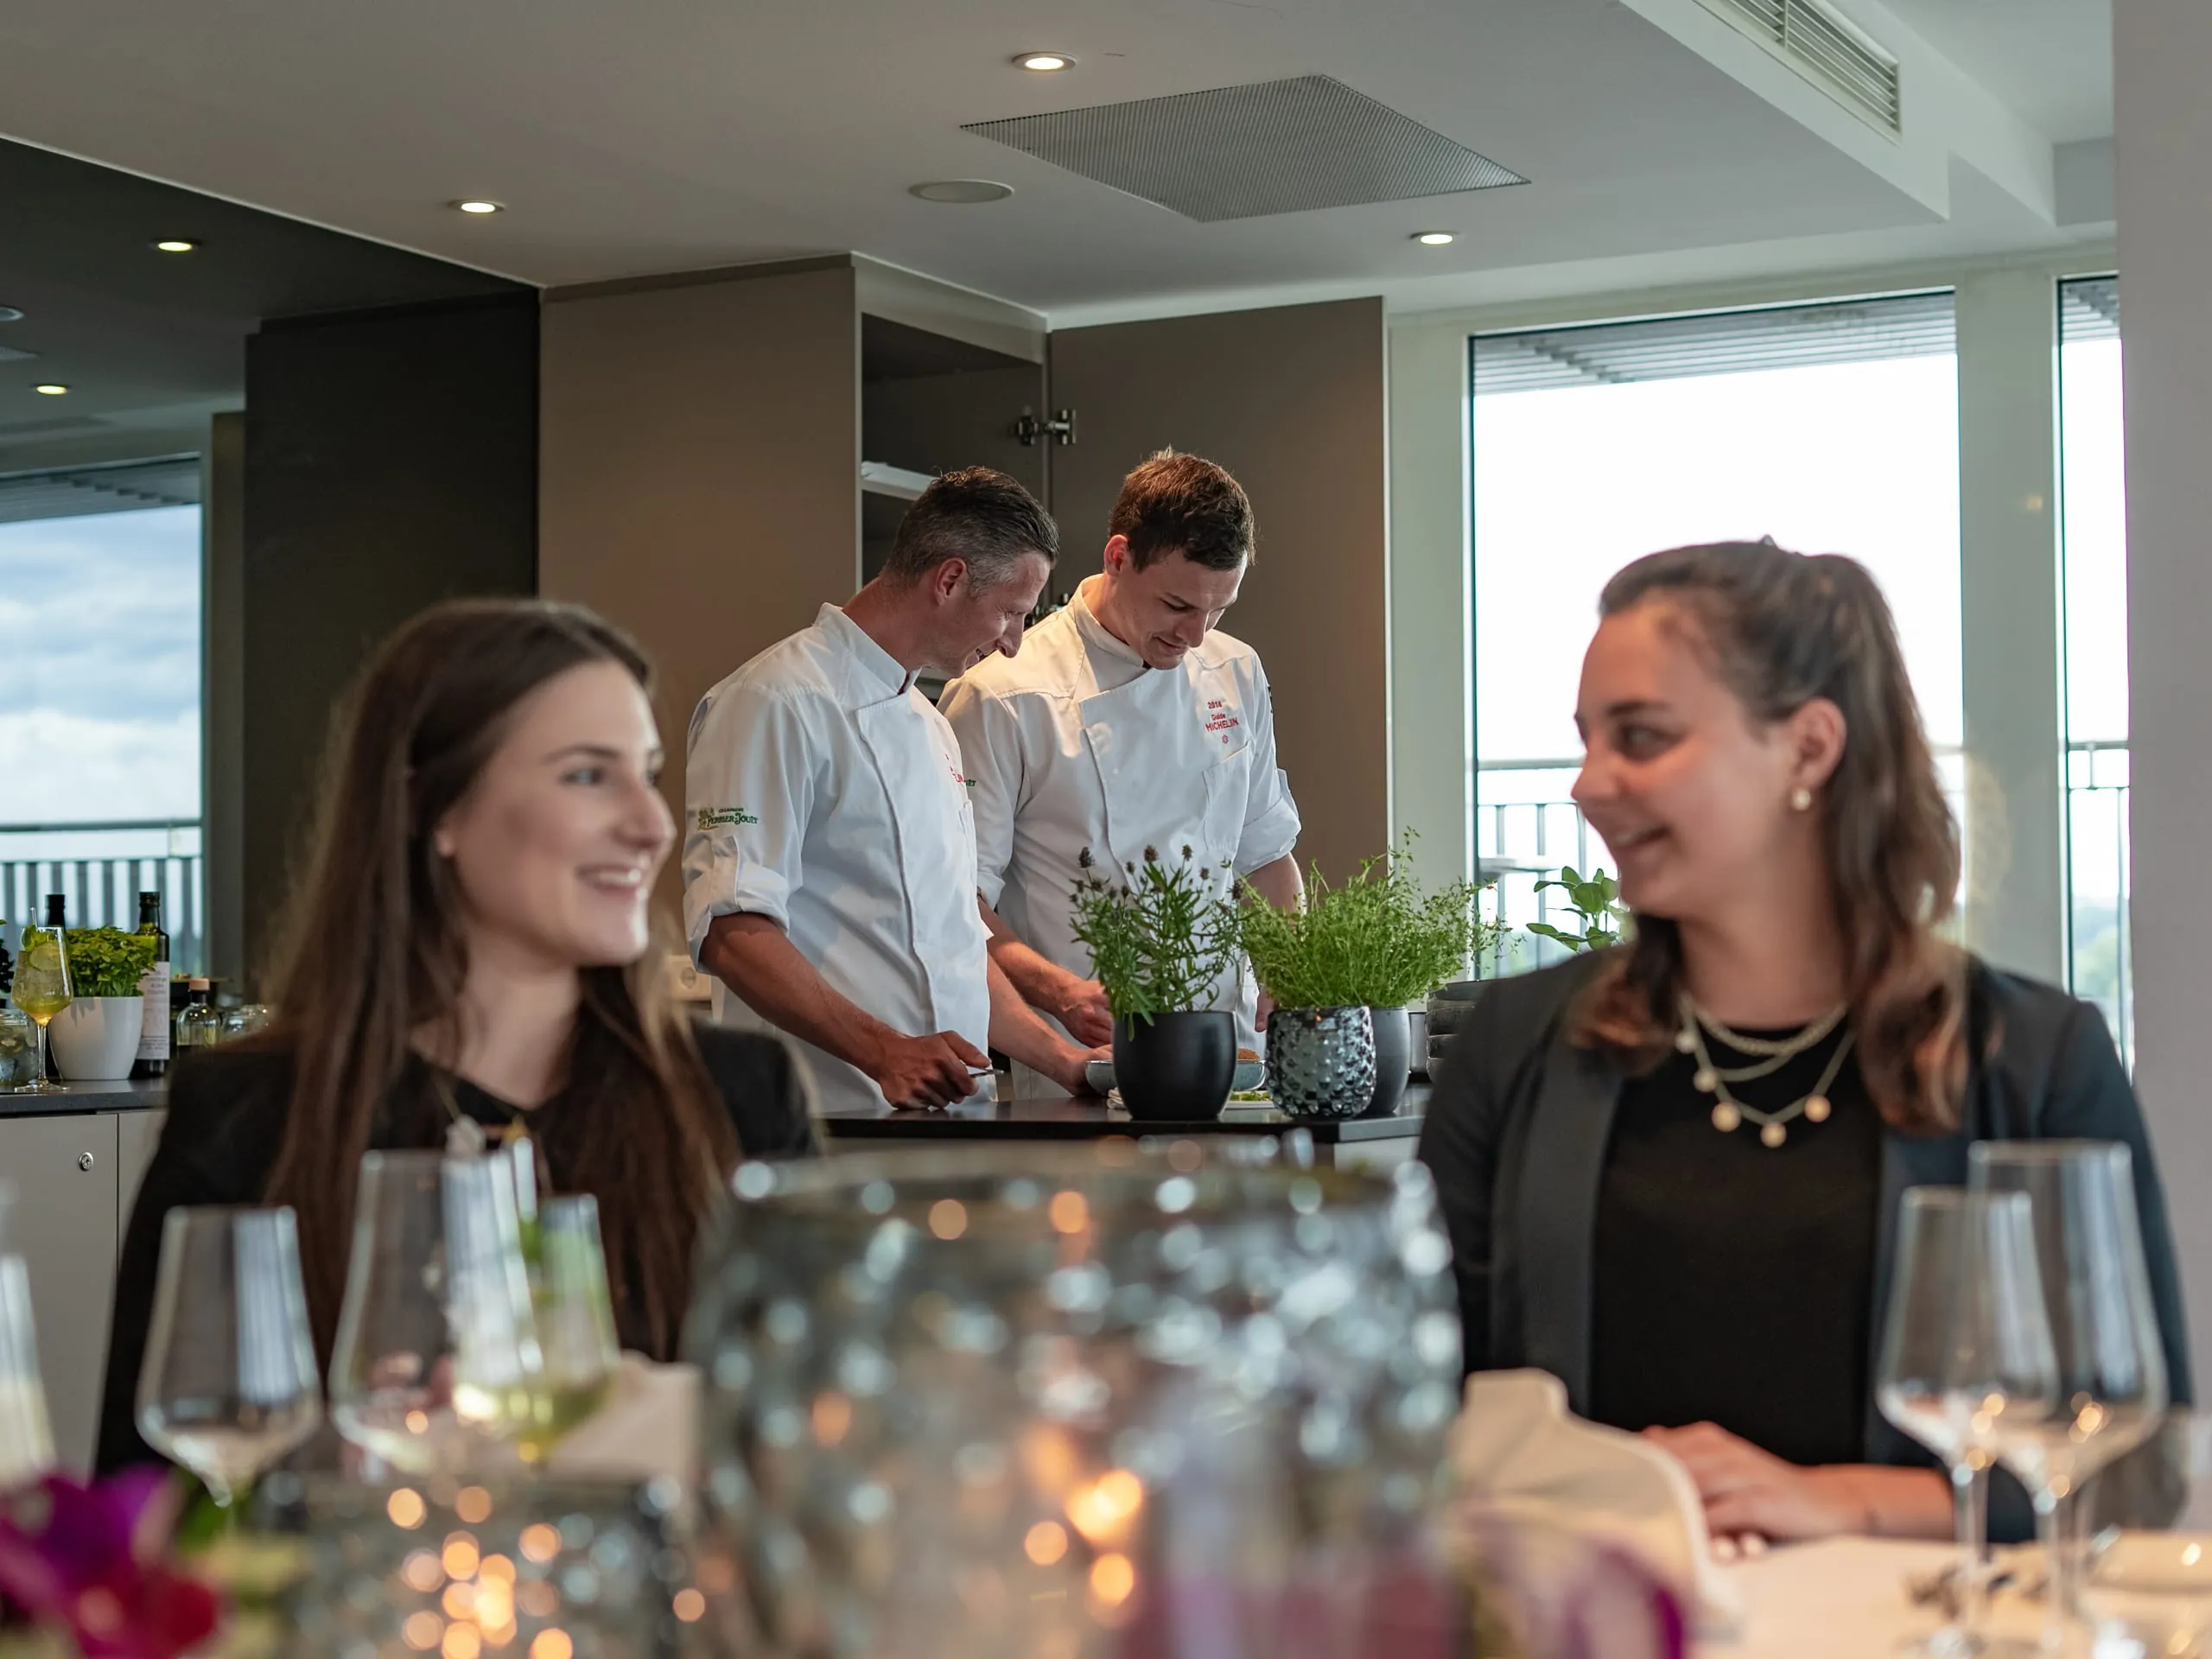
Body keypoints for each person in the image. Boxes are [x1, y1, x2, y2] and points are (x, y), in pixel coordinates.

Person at [1418, 541, 2190, 1545]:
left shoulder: (2037, 1062)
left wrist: (1838, 1500)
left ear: (1809, 749)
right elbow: (1418, 1421)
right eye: (1586, 739)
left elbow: (2134, 1468)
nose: (1586, 785)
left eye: (1640, 738)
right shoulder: (1513, 1050)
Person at [96, 599, 817, 1476]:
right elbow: (144, 1508)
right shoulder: (253, 1110)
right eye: (589, 776)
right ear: (433, 810)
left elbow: (816, 1466)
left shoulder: (741, 1097)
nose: (653, 824)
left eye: (647, 772)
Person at [685, 467, 1099, 1112]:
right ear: (951, 579)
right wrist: (883, 1051)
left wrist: (1063, 1059)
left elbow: (950, 940)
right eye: (1012, 613)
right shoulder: (773, 701)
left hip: (949, 1121)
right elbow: (730, 928)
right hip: (827, 1123)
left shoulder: (930, 724)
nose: (1014, 643)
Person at [938, 451, 1303, 1094]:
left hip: (1233, 1059)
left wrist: (1292, 972)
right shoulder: (1003, 696)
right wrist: (1064, 994)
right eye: (1177, 605)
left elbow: (1267, 857)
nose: (1196, 634)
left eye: (1219, 609)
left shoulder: (1235, 670)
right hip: (1088, 1066)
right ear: (1117, 557)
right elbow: (960, 905)